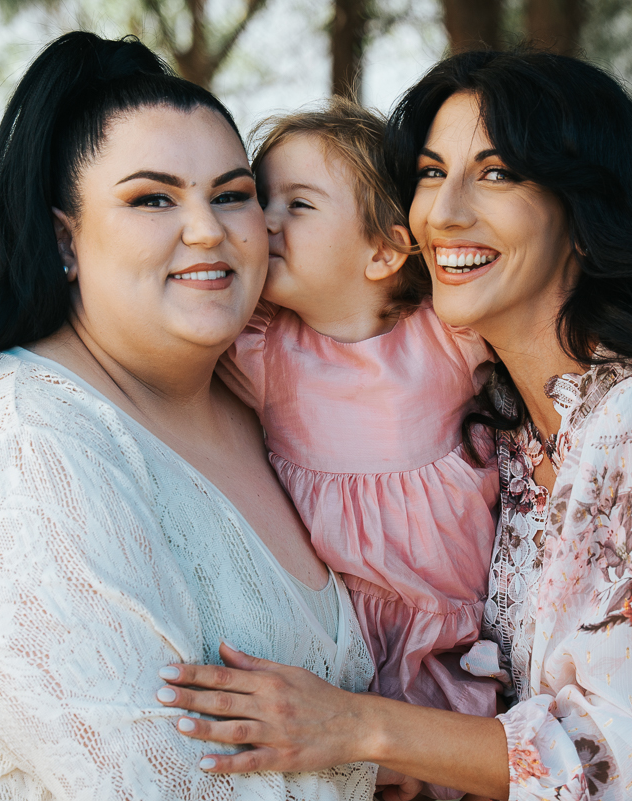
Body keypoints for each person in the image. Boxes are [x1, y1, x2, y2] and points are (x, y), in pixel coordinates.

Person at [153, 50, 632, 801]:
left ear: (585, 215)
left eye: (496, 174)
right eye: (430, 173)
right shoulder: (505, 416)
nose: (443, 212)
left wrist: (358, 727)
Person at [0, 33, 384, 801]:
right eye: (152, 198)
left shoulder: (269, 409)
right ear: (65, 239)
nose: (207, 229)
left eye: (231, 193)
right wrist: (383, 752)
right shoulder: (14, 453)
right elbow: (156, 783)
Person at [216, 100, 503, 777]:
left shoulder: (447, 334)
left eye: (298, 205)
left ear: (384, 250)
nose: (266, 221)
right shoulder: (262, 349)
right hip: (338, 646)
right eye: (261, 200)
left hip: (451, 636)